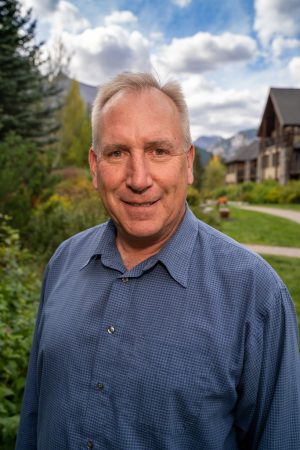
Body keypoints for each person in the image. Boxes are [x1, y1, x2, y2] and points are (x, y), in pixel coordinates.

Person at [16, 72, 300, 450]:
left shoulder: (255, 295)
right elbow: (34, 416)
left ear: (189, 163)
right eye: (117, 153)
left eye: (158, 151)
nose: (138, 178)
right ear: (95, 166)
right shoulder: (64, 262)